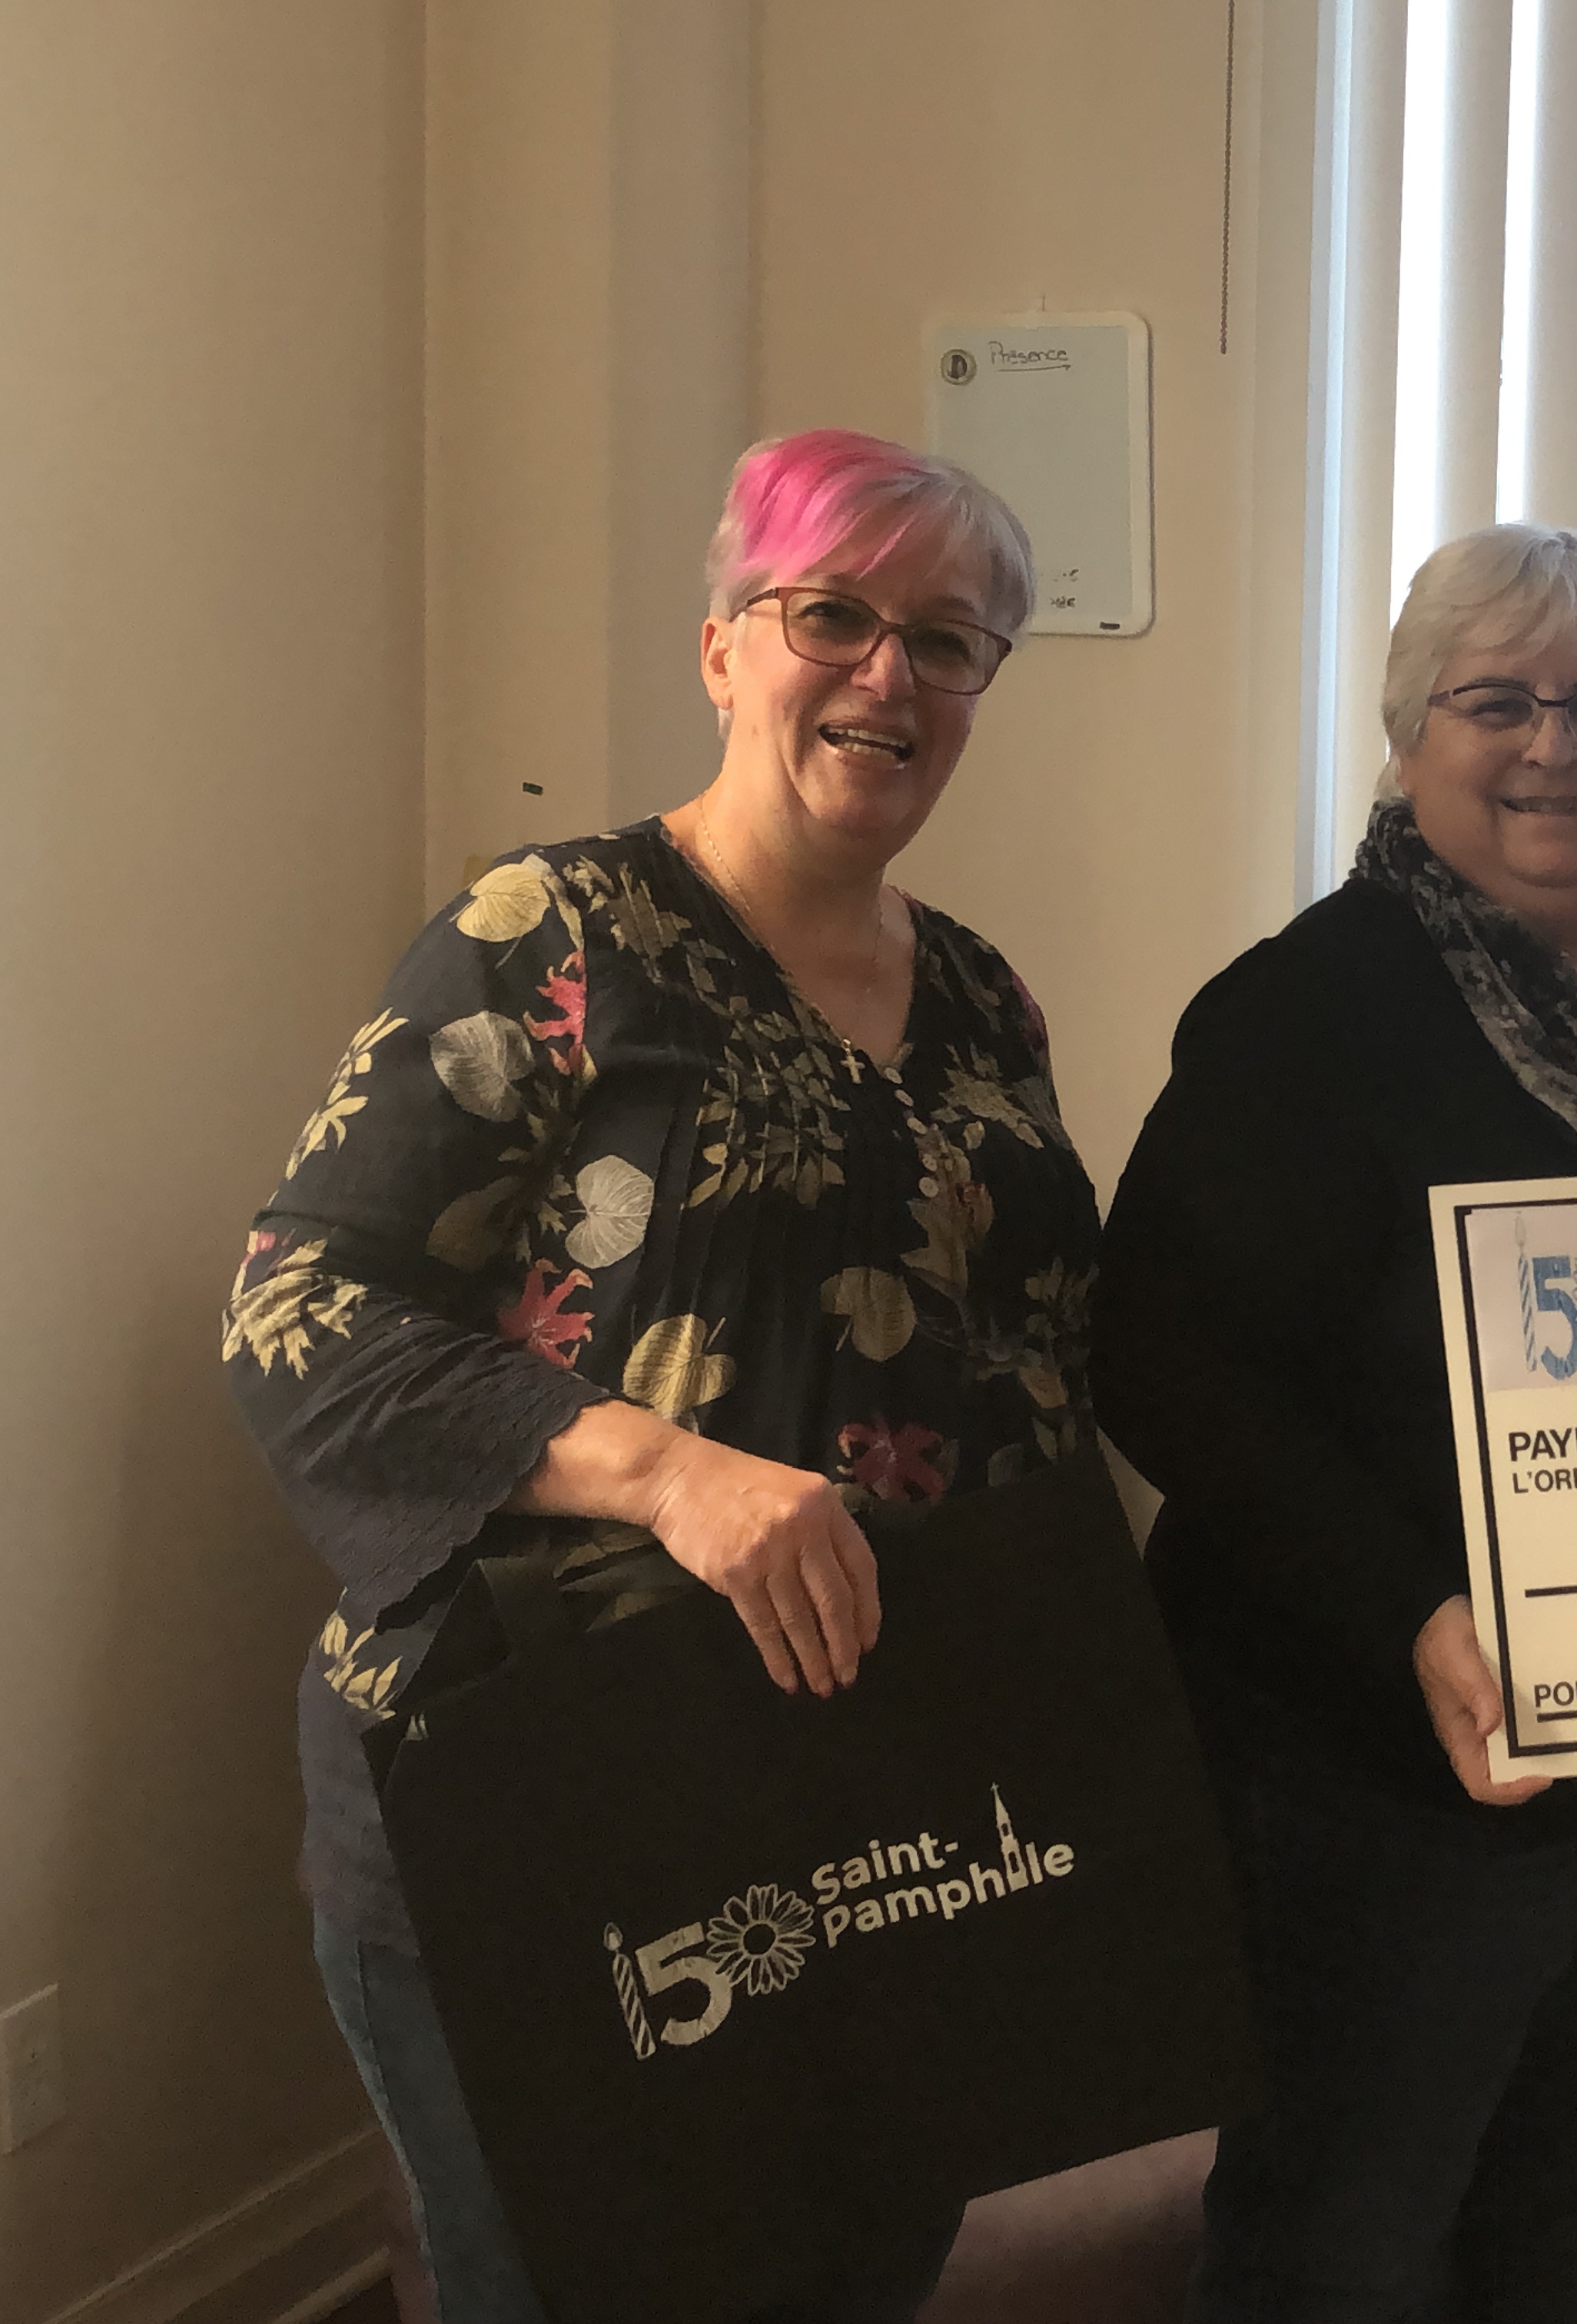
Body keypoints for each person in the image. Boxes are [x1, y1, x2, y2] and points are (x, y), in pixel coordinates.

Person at [224, 428, 1098, 2323]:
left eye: (948, 641)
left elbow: (1027, 1363)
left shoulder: (982, 1001)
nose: (888, 675)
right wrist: (668, 1471)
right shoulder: (551, 936)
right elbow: (299, 1316)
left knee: (858, 2277)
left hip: (868, 1811)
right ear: (722, 648)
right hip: (546, 1796)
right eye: (833, 615)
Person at [1092, 523, 1577, 2322]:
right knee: (1339, 2251)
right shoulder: (1304, 1009)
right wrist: (1413, 1608)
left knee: (1559, 2228)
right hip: (1374, 1770)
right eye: (1496, 701)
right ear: (1409, 735)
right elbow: (1159, 1359)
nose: (1553, 745)